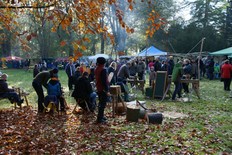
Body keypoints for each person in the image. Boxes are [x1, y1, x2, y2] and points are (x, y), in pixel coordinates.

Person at [95, 57, 110, 123]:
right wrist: (107, 91)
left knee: (101, 103)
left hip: (99, 88)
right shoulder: (103, 70)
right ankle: (99, 119)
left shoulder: (97, 68)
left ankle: (101, 116)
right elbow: (104, 81)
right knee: (102, 104)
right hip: (102, 89)